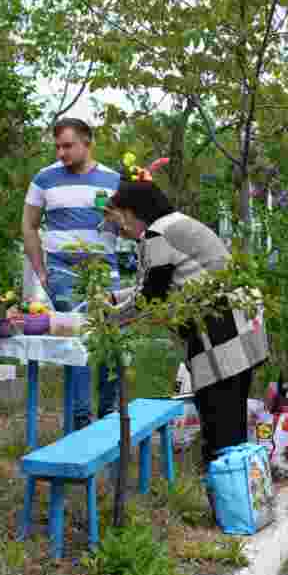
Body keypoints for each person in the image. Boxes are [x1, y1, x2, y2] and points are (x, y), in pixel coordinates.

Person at [103, 176, 269, 469]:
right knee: (231, 421)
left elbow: (150, 297)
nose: (121, 229)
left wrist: (108, 318)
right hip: (241, 322)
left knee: (220, 428)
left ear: (132, 211)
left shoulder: (157, 235)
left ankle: (227, 498)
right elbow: (158, 283)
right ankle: (240, 497)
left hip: (220, 329)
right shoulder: (173, 224)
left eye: (119, 219)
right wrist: (115, 298)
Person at [22, 118, 121, 429]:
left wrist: (114, 218)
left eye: (68, 146)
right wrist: (40, 270)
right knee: (77, 335)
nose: (61, 152)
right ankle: (81, 420)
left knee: (110, 338)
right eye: (57, 146)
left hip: (105, 271)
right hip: (62, 270)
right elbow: (28, 224)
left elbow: (128, 226)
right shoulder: (44, 179)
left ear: (87, 143)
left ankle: (109, 414)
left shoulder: (113, 179)